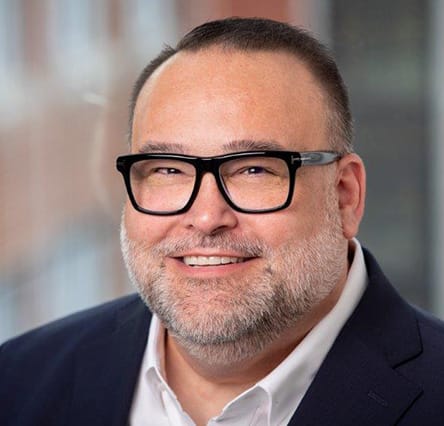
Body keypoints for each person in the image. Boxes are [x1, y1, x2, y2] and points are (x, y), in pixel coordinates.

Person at [1, 17, 444, 426]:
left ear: (345, 196)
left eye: (254, 169)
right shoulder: (19, 381)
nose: (207, 217)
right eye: (168, 169)